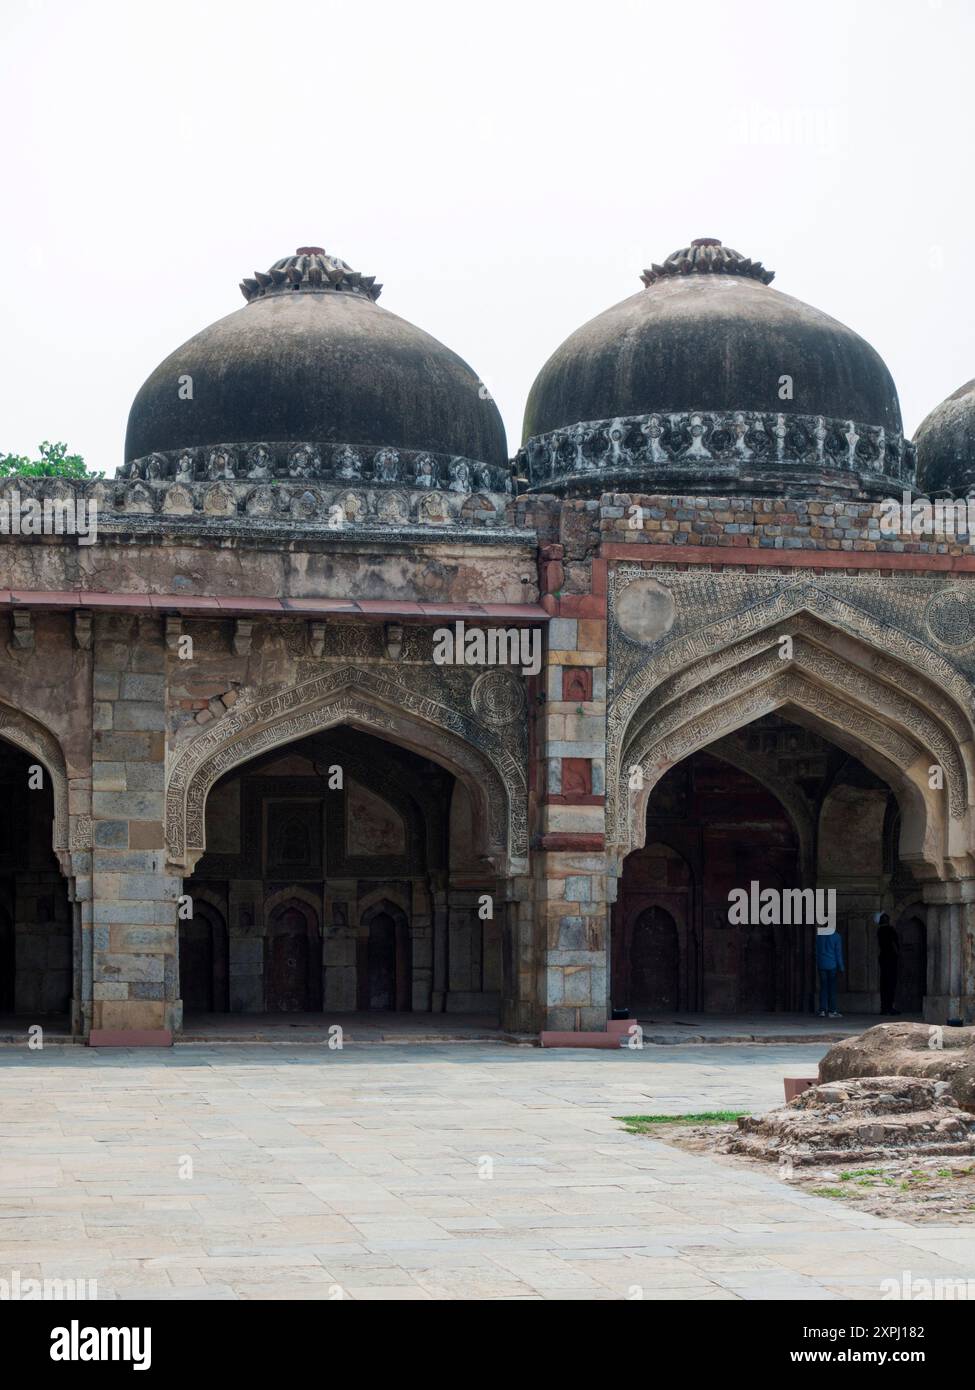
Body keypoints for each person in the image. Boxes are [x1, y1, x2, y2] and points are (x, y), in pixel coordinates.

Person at [816, 928, 844, 1018]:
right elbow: (838, 953)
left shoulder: (819, 935)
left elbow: (816, 951)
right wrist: (841, 967)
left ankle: (822, 1010)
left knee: (823, 987)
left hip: (821, 964)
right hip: (832, 965)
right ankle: (832, 1011)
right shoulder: (836, 936)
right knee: (832, 988)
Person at [877, 912, 900, 1015]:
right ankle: (889, 1007)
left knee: (884, 984)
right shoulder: (890, 930)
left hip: (883, 958)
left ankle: (884, 1008)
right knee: (891, 984)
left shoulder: (879, 931)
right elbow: (896, 943)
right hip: (891, 959)